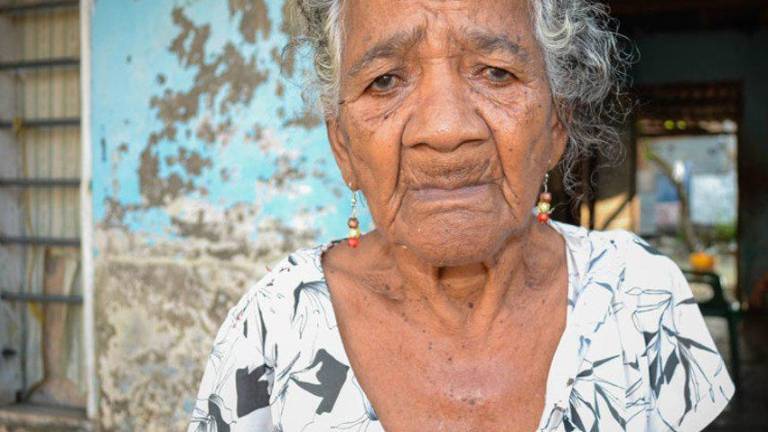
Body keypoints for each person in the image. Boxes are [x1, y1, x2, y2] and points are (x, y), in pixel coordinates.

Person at [188, 0, 734, 430]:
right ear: (343, 145)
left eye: (495, 72)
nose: (446, 130)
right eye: (385, 80)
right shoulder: (274, 326)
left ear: (556, 124)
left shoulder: (641, 295)